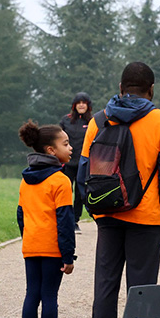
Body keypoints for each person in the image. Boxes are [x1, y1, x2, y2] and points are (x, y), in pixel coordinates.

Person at [77, 62, 160, 318]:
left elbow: (83, 172)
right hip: (147, 217)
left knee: (105, 285)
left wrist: (96, 211)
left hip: (108, 212)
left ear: (121, 87)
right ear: (151, 90)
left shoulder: (98, 121)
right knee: (142, 288)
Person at [17, 120, 76, 318]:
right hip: (52, 249)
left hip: (31, 246)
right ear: (51, 151)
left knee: (32, 294)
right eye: (65, 143)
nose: (70, 147)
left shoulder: (25, 179)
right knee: (50, 296)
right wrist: (68, 256)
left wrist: (29, 236)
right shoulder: (60, 181)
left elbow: (21, 215)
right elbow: (65, 221)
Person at [59, 92, 93, 232]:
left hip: (83, 163)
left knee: (80, 194)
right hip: (67, 163)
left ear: (88, 105)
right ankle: (64, 219)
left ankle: (75, 220)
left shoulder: (92, 122)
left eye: (84, 102)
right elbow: (57, 139)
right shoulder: (65, 120)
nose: (81, 105)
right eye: (78, 102)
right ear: (74, 105)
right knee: (65, 191)